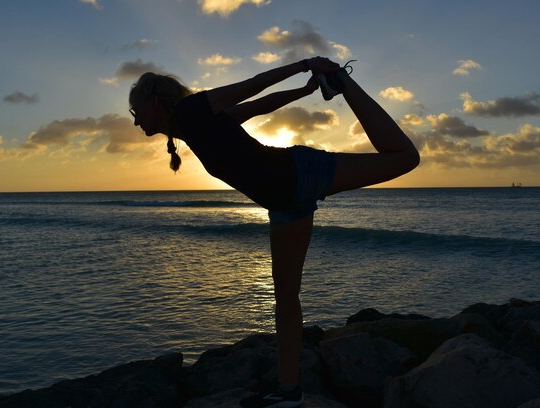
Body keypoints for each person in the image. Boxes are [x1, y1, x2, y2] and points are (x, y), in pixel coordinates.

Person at [128, 57, 420, 408]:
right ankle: (288, 392)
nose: (135, 120)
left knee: (405, 158)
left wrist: (305, 65)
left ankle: (342, 81)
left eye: (136, 111)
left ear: (153, 102)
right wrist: (304, 90)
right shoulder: (192, 126)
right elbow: (258, 106)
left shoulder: (192, 109)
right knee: (285, 298)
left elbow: (253, 85)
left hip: (299, 173)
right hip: (285, 204)